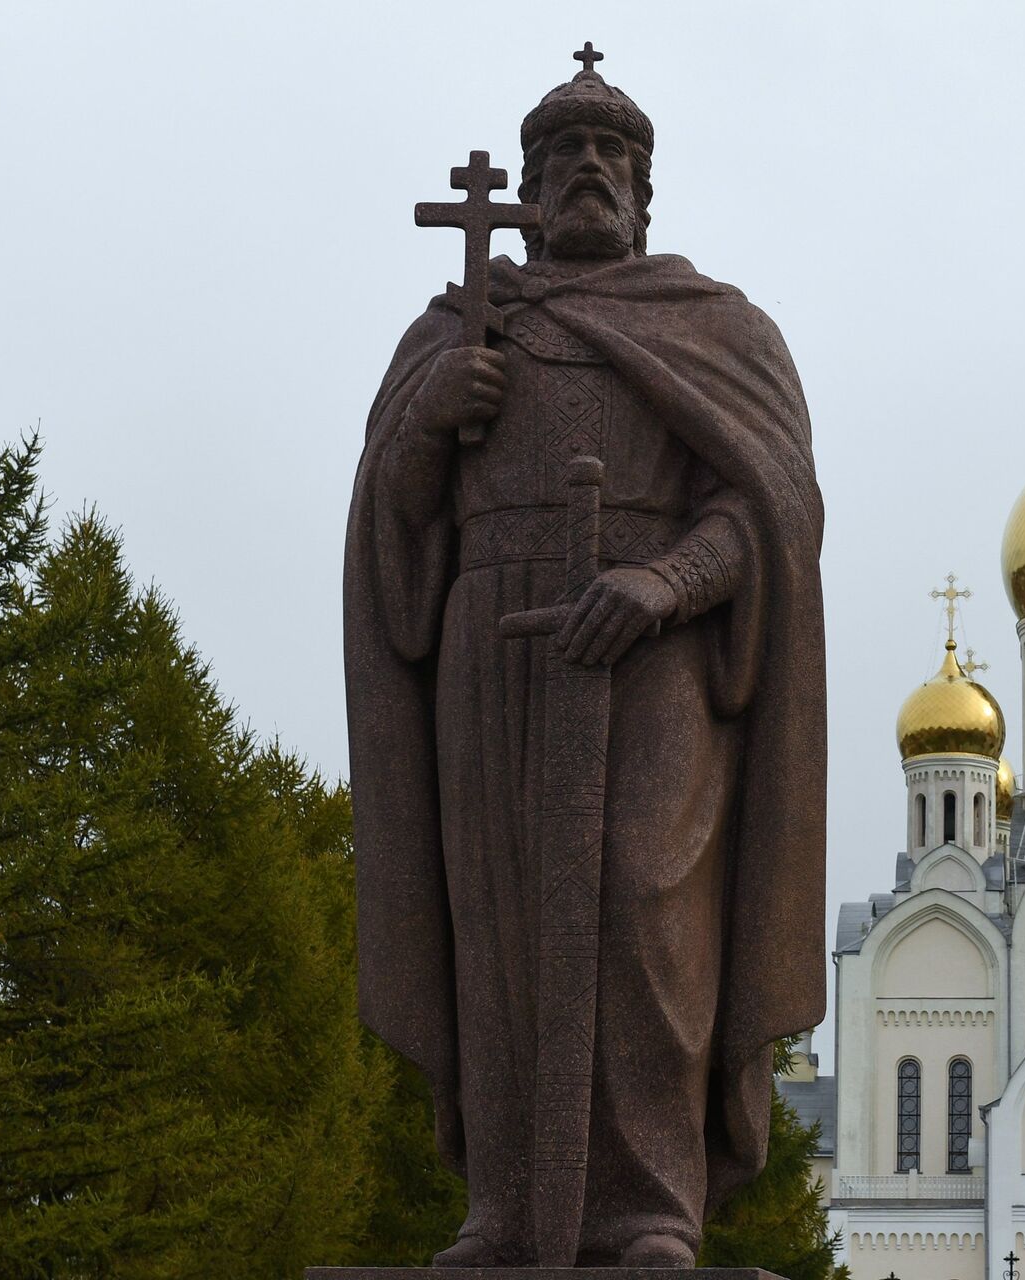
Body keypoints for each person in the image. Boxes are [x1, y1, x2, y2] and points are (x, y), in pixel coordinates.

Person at [343, 53, 825, 1268]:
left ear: (646, 195)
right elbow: (390, 527)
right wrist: (428, 423)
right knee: (498, 920)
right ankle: (505, 1205)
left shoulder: (716, 325)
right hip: (491, 645)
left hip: (650, 647)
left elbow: (771, 507)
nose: (592, 174)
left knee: (643, 912)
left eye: (614, 158)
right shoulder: (460, 327)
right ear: (528, 187)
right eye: (567, 158)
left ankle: (648, 1207)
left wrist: (664, 583)